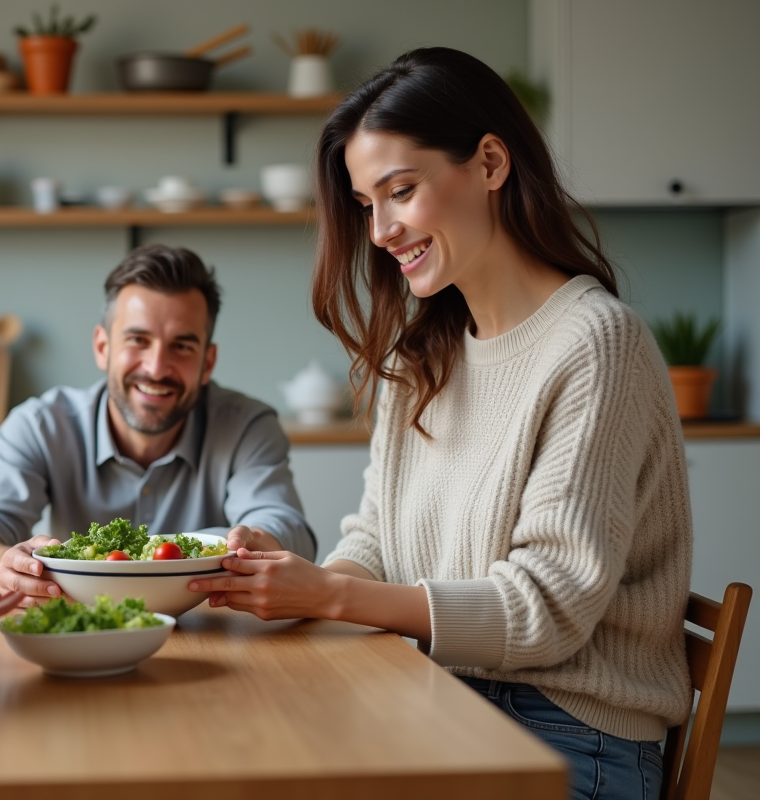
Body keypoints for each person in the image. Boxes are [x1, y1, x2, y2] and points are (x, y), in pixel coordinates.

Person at [189, 48, 691, 800]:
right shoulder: (424, 352)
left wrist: (328, 599)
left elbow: (546, 611)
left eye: (400, 190)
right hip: (437, 697)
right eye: (366, 205)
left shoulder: (595, 344)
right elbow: (377, 541)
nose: (382, 230)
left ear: (490, 162)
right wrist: (293, 583)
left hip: (567, 735)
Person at [0, 244, 316, 604]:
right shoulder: (39, 426)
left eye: (182, 346)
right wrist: (3, 566)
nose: (156, 368)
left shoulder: (248, 426)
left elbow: (285, 527)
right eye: (138, 339)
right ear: (103, 347)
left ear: (208, 362)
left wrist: (250, 542)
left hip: (213, 626)